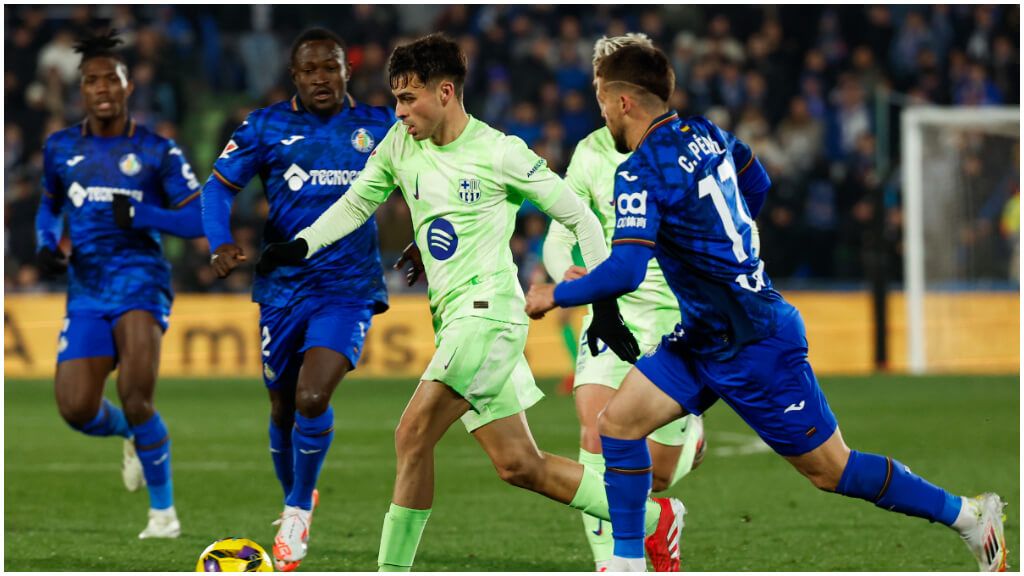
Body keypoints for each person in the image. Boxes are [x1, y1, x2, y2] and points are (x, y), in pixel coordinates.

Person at [525, 44, 1006, 572]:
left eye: (599, 99)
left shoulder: (640, 170)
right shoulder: (706, 133)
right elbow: (757, 180)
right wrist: (719, 241)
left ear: (620, 102)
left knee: (832, 471)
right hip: (703, 336)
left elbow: (626, 271)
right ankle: (626, 564)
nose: (599, 111)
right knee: (616, 426)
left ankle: (969, 515)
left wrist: (556, 294)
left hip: (757, 343)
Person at [258, 33, 685, 572]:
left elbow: (577, 213)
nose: (400, 111)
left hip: (488, 319)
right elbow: (355, 203)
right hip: (456, 320)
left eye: (409, 98)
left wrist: (602, 305)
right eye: (395, 98)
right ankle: (653, 519)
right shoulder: (399, 144)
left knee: (411, 435)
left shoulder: (499, 152)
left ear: (445, 92)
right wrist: (300, 246)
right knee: (519, 465)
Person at [200, 28, 394, 572]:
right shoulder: (265, 127)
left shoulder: (381, 127)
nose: (320, 79)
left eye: (329, 68)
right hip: (283, 290)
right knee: (282, 405)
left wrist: (428, 240)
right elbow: (217, 188)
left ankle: (295, 511)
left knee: (312, 397)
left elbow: (428, 182)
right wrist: (219, 240)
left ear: (346, 70)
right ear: (295, 76)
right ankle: (298, 495)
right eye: (309, 70)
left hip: (348, 289)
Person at [541, 33, 708, 572]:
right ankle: (614, 563)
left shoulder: (681, 144)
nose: (599, 92)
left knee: (653, 473)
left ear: (627, 93)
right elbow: (558, 233)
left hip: (676, 316)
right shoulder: (589, 152)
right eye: (596, 80)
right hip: (612, 315)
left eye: (605, 82)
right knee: (596, 431)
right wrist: (559, 269)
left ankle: (671, 488)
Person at [35, 30, 204, 540]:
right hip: (86, 289)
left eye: (112, 78)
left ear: (129, 86)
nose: (102, 87)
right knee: (76, 408)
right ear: (79, 89)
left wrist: (143, 213)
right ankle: (132, 433)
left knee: (136, 394)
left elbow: (198, 217)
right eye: (91, 80)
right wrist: (48, 243)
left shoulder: (157, 150)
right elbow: (49, 206)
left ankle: (163, 517)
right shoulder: (60, 148)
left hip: (140, 282)